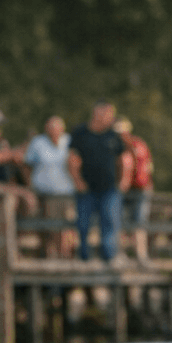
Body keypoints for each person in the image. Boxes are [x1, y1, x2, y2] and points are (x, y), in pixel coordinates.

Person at [67, 100, 131, 261]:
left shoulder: (114, 135)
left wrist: (124, 181)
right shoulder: (80, 133)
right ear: (97, 113)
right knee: (82, 225)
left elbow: (124, 158)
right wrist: (77, 181)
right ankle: (84, 259)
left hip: (109, 189)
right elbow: (73, 159)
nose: (111, 118)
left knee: (110, 224)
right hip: (86, 190)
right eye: (108, 114)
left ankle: (108, 260)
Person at [114, 117, 154, 241]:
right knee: (129, 221)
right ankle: (130, 252)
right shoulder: (140, 143)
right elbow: (150, 167)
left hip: (136, 188)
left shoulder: (126, 147)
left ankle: (137, 253)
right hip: (137, 187)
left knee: (137, 221)